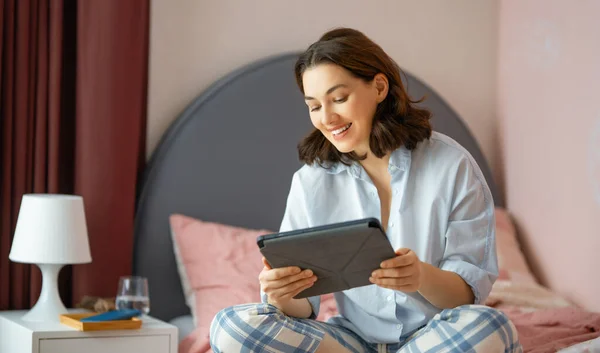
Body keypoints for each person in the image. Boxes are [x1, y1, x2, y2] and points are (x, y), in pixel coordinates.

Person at [210, 28, 522, 353]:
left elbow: (468, 296)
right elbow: (305, 309)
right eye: (314, 106)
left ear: (379, 87)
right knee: (230, 328)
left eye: (339, 98)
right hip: (349, 343)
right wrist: (283, 293)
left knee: (490, 328)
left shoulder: (451, 165)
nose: (327, 117)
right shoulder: (311, 182)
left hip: (434, 337)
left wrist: (421, 277)